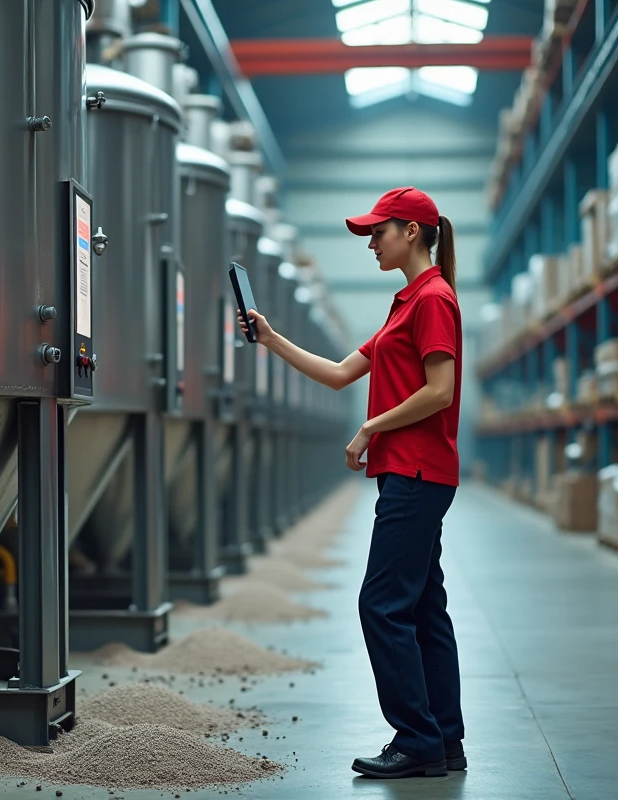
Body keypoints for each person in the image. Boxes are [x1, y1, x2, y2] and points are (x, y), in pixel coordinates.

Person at [239, 186, 465, 779]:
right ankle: (444, 739)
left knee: (381, 605)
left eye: (377, 233)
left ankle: (417, 740)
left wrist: (371, 427)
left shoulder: (433, 299)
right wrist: (271, 338)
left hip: (415, 471)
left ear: (411, 231)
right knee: (423, 608)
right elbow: (341, 373)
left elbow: (440, 392)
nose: (371, 244)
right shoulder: (406, 303)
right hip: (412, 473)